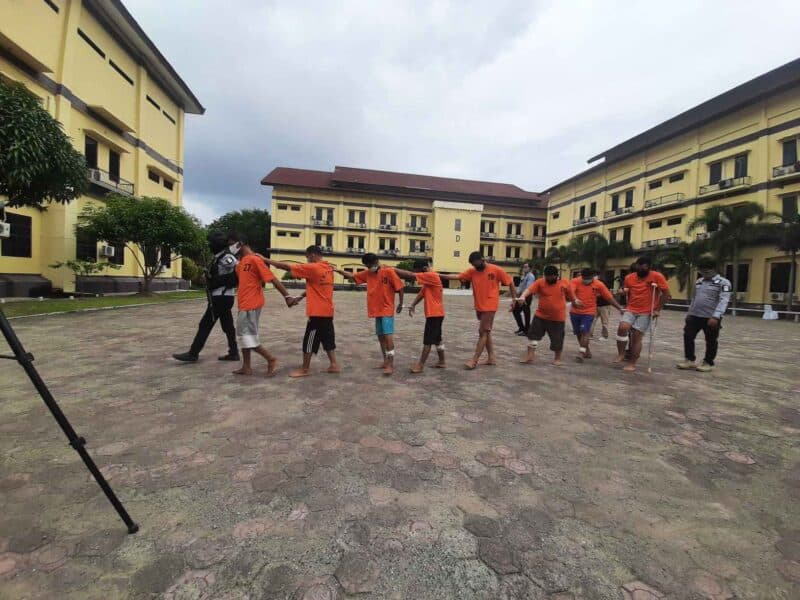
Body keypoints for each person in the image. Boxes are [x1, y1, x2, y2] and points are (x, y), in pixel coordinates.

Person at [261, 245, 340, 377]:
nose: (307, 260)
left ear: (313, 255)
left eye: (307, 257)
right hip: (327, 311)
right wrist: (301, 296)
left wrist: (265, 259)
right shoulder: (328, 268)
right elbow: (316, 287)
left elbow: (286, 266)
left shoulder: (313, 267)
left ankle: (305, 369)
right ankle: (334, 365)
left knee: (309, 341)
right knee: (327, 339)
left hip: (317, 313)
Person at [440, 251, 517, 370]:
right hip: (479, 306)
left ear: (482, 259)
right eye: (473, 265)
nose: (475, 267)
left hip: (490, 305)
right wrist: (437, 275)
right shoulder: (472, 271)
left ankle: (474, 360)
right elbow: (456, 277)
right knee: (486, 331)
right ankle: (491, 357)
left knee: (482, 332)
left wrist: (514, 299)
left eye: (476, 264)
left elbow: (510, 282)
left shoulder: (496, 270)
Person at [173, 231, 239, 363]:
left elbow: (238, 272)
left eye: (212, 243)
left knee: (205, 324)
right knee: (228, 326)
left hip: (221, 297)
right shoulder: (219, 257)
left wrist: (216, 280)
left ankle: (193, 353)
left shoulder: (227, 257)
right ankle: (234, 352)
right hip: (221, 297)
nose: (210, 246)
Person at [231, 236, 294, 376]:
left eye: (232, 244)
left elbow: (272, 278)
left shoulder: (255, 259)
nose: (231, 248)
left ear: (240, 244)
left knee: (247, 336)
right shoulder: (240, 264)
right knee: (244, 336)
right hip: (243, 304)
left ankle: (271, 359)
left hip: (252, 304)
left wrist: (287, 296)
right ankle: (246, 367)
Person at [337, 253, 404, 375]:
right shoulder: (368, 273)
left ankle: (391, 364)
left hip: (387, 309)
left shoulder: (388, 271)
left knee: (388, 336)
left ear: (377, 261)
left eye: (371, 265)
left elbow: (400, 288)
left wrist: (400, 304)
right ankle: (385, 361)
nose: (369, 268)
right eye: (367, 266)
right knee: (380, 336)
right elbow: (353, 276)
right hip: (376, 309)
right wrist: (338, 271)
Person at [614, 256, 671, 372]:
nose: (641, 270)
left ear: (649, 267)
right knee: (622, 327)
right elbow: (626, 290)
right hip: (631, 308)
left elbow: (666, 294)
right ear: (636, 266)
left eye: (644, 268)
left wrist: (657, 309)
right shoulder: (629, 277)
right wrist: (623, 291)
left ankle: (632, 363)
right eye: (639, 267)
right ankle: (621, 353)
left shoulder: (657, 276)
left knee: (636, 337)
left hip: (646, 311)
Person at [676, 255, 732, 372]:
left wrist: (716, 316)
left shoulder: (723, 283)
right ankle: (689, 360)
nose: (704, 272)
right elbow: (695, 298)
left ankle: (708, 362)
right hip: (694, 316)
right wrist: (689, 313)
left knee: (711, 340)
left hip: (711, 317)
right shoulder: (699, 281)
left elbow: (724, 300)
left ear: (714, 268)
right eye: (702, 269)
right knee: (688, 336)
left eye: (707, 269)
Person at [514, 265, 577, 365]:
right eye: (547, 276)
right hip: (541, 316)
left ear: (557, 275)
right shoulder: (540, 282)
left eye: (552, 277)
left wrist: (576, 302)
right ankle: (530, 356)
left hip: (557, 318)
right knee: (532, 336)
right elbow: (529, 290)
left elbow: (572, 297)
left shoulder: (565, 283)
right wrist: (522, 296)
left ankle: (557, 358)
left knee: (557, 339)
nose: (549, 279)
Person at [394, 259, 446, 373]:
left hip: (435, 314)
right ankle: (442, 361)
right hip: (436, 314)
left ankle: (420, 365)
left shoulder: (431, 275)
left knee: (427, 340)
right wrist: (412, 305)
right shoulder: (429, 281)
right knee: (437, 339)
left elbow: (411, 275)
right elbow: (421, 294)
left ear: (424, 269)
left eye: (419, 272)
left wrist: (392, 269)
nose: (418, 275)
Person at [570, 268, 623, 361]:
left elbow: (609, 297)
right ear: (581, 276)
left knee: (584, 331)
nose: (586, 280)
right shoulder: (575, 281)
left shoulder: (599, 284)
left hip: (589, 312)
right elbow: (571, 291)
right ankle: (587, 350)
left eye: (588, 278)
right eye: (584, 278)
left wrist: (620, 308)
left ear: (592, 277)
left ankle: (581, 353)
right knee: (578, 333)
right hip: (575, 312)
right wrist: (575, 299)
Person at [513, 263, 536, 335]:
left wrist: (523, 297)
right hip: (521, 296)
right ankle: (522, 328)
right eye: (524, 267)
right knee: (515, 310)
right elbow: (520, 286)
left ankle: (526, 330)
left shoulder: (531, 276)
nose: (524, 268)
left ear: (530, 268)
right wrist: (517, 294)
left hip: (527, 296)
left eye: (526, 267)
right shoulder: (524, 276)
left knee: (526, 312)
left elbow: (528, 287)